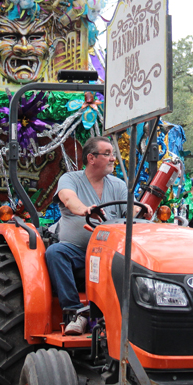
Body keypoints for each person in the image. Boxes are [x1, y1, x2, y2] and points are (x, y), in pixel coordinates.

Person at [45, 137, 130, 336]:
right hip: (78, 254)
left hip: (108, 254)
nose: (113, 159)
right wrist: (85, 210)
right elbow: (68, 198)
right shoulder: (70, 179)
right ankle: (75, 313)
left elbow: (131, 209)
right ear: (91, 158)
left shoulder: (118, 185)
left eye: (113, 154)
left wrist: (142, 211)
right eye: (107, 153)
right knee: (56, 252)